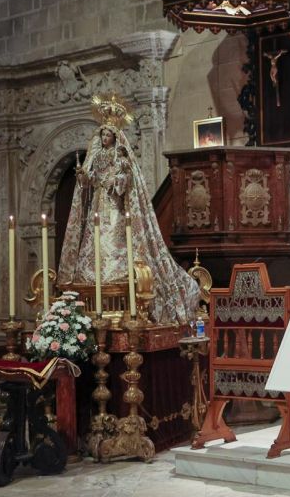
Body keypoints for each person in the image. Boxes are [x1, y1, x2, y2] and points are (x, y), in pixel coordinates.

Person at [58, 94, 199, 325]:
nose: (104, 137)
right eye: (102, 133)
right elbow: (92, 180)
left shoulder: (121, 156)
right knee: (94, 236)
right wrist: (85, 176)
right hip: (99, 202)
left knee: (113, 235)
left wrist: (118, 178)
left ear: (115, 137)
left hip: (113, 203)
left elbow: (124, 183)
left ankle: (116, 274)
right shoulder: (96, 155)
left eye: (108, 134)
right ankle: (94, 278)